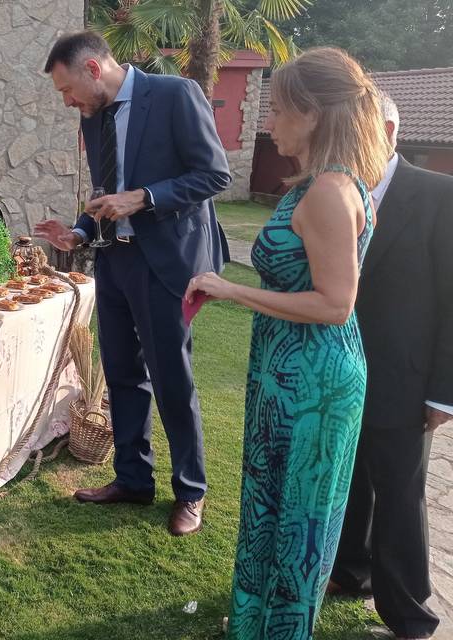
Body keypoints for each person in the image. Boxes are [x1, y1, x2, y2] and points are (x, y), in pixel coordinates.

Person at [184, 47, 391, 639]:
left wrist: (232, 290)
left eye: (277, 110)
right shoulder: (320, 185)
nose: (267, 122)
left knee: (297, 518)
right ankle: (255, 625)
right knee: (270, 504)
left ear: (315, 114)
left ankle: (279, 631)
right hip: (287, 368)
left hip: (313, 380)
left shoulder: (328, 190)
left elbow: (334, 304)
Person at [35, 31, 232, 536]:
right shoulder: (92, 115)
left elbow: (213, 175)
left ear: (94, 69)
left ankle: (191, 491)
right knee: (121, 374)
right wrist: (77, 230)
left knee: (172, 378)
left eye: (67, 89)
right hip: (114, 263)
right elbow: (105, 193)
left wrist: (142, 197)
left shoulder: (175, 94)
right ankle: (132, 479)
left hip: (167, 264)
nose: (67, 101)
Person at [328, 93, 453, 640]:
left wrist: (443, 392)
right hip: (341, 369)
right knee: (352, 479)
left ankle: (412, 619)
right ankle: (353, 572)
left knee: (400, 494)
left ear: (387, 130)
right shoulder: (335, 191)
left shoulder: (440, 195)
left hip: (405, 376)